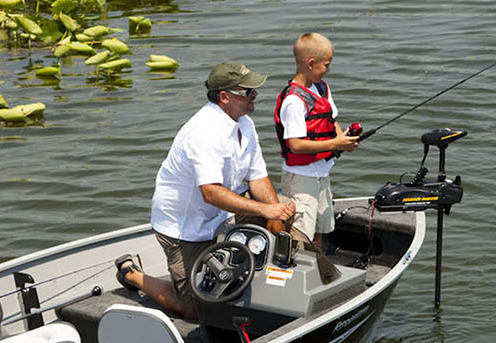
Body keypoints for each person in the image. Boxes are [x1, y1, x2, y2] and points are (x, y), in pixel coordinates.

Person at [117, 62, 295, 319]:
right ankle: (132, 274)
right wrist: (266, 209)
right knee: (193, 308)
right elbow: (210, 192)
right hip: (183, 227)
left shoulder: (245, 124)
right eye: (248, 92)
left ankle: (269, 278)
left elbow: (258, 178)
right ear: (225, 97)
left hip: (221, 215)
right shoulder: (204, 132)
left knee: (285, 207)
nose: (255, 95)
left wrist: (275, 213)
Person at [272, 32, 358, 249]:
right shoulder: (293, 101)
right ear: (311, 63)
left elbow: (332, 119)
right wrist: (334, 145)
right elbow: (296, 144)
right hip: (301, 177)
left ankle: (318, 272)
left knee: (320, 230)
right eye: (326, 65)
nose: (328, 69)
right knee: (301, 234)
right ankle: (297, 275)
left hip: (322, 173)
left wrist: (342, 139)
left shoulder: (321, 88)